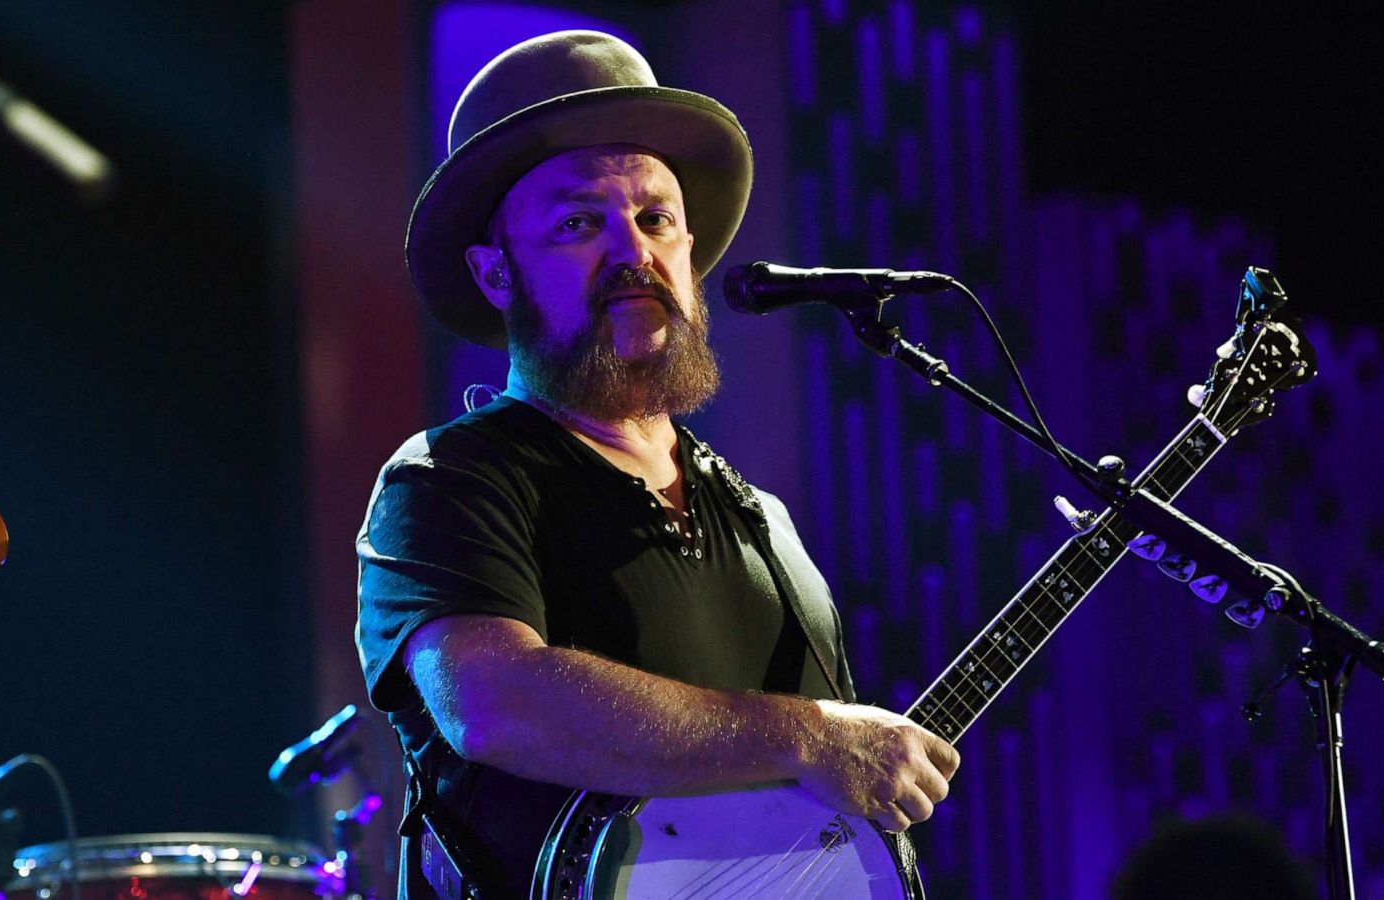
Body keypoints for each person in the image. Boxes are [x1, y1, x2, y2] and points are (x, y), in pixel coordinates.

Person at [355, 31, 959, 898]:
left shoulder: (762, 519)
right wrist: (810, 735)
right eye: (578, 223)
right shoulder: (449, 480)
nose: (634, 252)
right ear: (496, 275)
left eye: (655, 218)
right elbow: (494, 702)